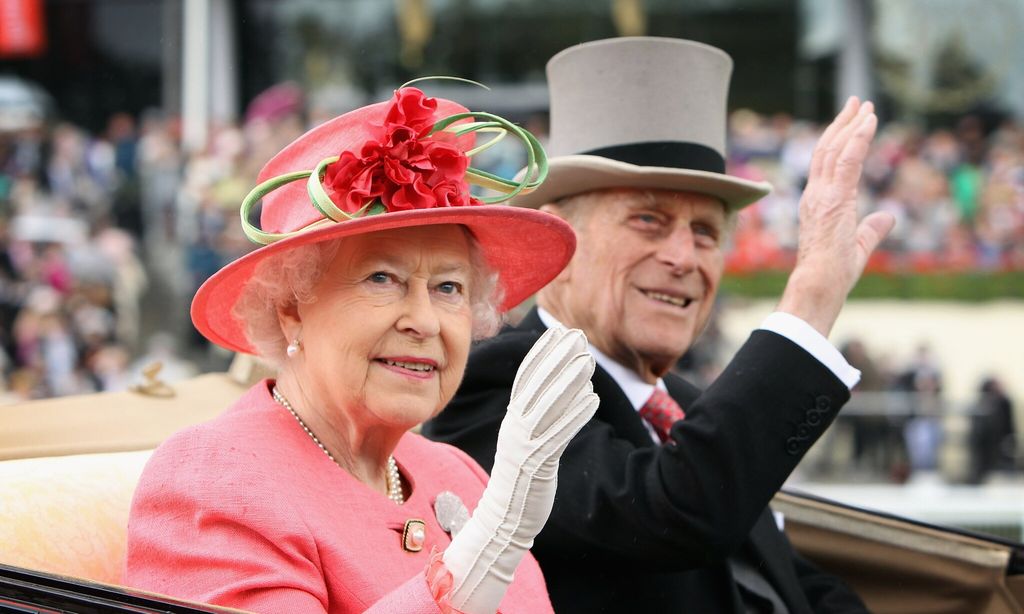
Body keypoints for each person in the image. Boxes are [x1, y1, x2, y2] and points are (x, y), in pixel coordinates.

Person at [424, 37, 894, 612]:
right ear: (560, 245)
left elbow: (793, 588)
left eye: (704, 232)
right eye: (649, 219)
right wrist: (811, 298)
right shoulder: (501, 383)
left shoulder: (689, 411)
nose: (684, 257)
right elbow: (673, 512)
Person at [125, 85, 601, 613]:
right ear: (292, 308)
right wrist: (485, 549)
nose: (424, 322)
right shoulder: (214, 477)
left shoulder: (457, 474)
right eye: (382, 278)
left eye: (448, 288)